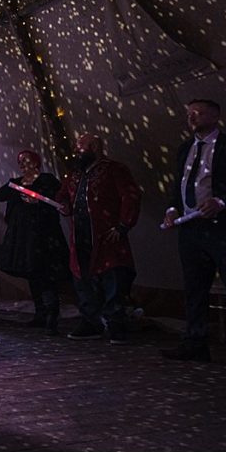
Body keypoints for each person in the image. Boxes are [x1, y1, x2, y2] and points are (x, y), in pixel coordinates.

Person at [160, 99, 226, 374]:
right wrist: (172, 210)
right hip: (191, 228)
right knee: (194, 288)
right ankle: (195, 342)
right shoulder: (186, 148)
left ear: (215, 115)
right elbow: (179, 185)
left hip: (224, 227)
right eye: (189, 113)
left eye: (199, 112)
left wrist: (222, 201)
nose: (193, 117)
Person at [55, 134, 141, 344]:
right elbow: (62, 195)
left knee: (112, 277)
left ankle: (115, 324)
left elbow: (130, 196)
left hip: (106, 233)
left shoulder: (114, 169)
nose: (77, 150)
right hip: (81, 235)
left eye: (81, 146)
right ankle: (90, 321)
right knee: (82, 277)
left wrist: (123, 225)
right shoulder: (74, 173)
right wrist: (63, 204)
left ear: (93, 147)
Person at [0, 150, 69, 335]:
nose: (22, 163)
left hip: (45, 237)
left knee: (45, 275)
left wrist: (38, 203)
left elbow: (59, 200)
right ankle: (40, 314)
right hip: (25, 239)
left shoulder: (47, 181)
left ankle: (52, 316)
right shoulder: (15, 184)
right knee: (33, 274)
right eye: (20, 161)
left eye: (26, 160)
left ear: (36, 161)